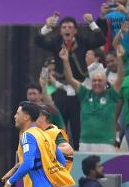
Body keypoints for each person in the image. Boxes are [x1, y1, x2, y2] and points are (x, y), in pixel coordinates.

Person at [35, 13, 105, 149]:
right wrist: (47, 27)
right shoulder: (56, 42)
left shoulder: (82, 41)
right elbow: (38, 41)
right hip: (61, 89)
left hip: (79, 89)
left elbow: (101, 39)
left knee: (78, 126)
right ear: (60, 31)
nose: (67, 29)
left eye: (70, 27)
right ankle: (57, 156)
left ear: (75, 31)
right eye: (64, 27)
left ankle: (79, 156)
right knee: (58, 127)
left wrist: (91, 23)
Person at [60, 46, 124, 153]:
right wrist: (65, 61)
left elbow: (120, 78)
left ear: (105, 83)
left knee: (105, 170)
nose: (96, 83)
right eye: (94, 81)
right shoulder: (85, 94)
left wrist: (120, 58)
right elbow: (70, 79)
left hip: (106, 143)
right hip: (85, 142)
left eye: (100, 81)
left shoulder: (111, 95)